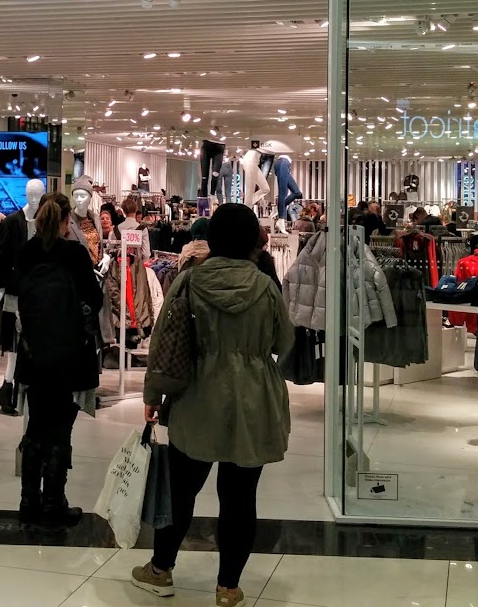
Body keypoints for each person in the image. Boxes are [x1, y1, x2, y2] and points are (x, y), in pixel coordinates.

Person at [132, 203, 293, 607]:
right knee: (240, 497)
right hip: (253, 400)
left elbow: (164, 343)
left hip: (197, 396)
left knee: (181, 490)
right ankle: (228, 589)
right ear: (252, 240)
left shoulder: (189, 281)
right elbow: (284, 341)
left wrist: (153, 395)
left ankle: (160, 570)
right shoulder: (265, 285)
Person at [15, 192, 103, 527]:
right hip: (69, 355)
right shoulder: (75, 254)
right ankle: (54, 502)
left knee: (36, 424)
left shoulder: (27, 251)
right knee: (61, 427)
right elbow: (94, 299)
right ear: (66, 220)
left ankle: (28, 500)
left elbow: (18, 293)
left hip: (34, 353)